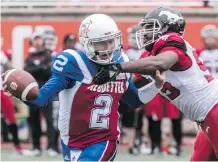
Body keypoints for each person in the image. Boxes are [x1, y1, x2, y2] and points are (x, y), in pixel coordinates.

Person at [3, 14, 165, 161]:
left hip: (103, 140)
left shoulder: (121, 64)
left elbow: (135, 100)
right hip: (70, 141)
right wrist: (23, 94)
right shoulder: (73, 63)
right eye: (102, 43)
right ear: (87, 43)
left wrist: (156, 86)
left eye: (112, 41)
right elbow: (41, 100)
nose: (109, 47)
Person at [93, 6, 218, 160]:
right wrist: (94, 90)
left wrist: (118, 68)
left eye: (151, 27)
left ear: (168, 27)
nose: (145, 32)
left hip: (213, 108)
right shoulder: (149, 56)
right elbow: (128, 89)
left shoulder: (172, 42)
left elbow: (162, 64)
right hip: (207, 115)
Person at [24, 28, 59, 157]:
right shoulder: (29, 57)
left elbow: (49, 71)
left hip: (47, 91)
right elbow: (27, 72)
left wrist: (37, 69)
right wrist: (41, 68)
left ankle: (51, 147)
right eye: (35, 39)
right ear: (32, 42)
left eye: (39, 38)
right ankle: (36, 147)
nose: (38, 41)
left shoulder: (48, 55)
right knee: (33, 120)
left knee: (50, 119)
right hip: (32, 92)